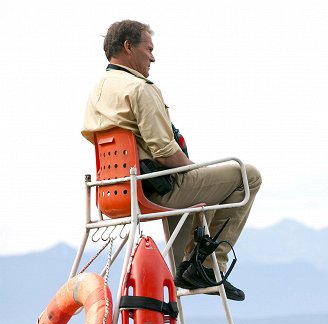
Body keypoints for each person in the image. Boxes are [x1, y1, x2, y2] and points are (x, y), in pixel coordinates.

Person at [81, 20, 261, 301]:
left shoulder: (98, 92)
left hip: (115, 192)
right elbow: (164, 152)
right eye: (148, 49)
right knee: (247, 174)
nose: (153, 57)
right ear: (128, 47)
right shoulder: (140, 88)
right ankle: (208, 266)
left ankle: (187, 266)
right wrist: (193, 170)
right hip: (154, 189)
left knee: (202, 188)